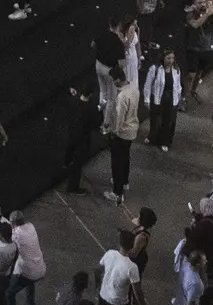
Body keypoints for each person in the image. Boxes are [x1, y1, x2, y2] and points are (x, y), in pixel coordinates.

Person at [104, 65, 139, 202]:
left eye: (113, 80)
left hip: (122, 133)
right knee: (125, 158)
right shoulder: (134, 88)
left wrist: (111, 131)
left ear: (118, 80)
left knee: (117, 162)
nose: (112, 83)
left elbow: (118, 119)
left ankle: (117, 193)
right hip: (132, 129)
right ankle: (125, 181)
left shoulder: (122, 97)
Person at [98, 229, 143, 305]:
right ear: (132, 245)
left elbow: (99, 271)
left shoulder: (109, 253)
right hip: (118, 302)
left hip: (103, 297)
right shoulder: (132, 267)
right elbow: (137, 292)